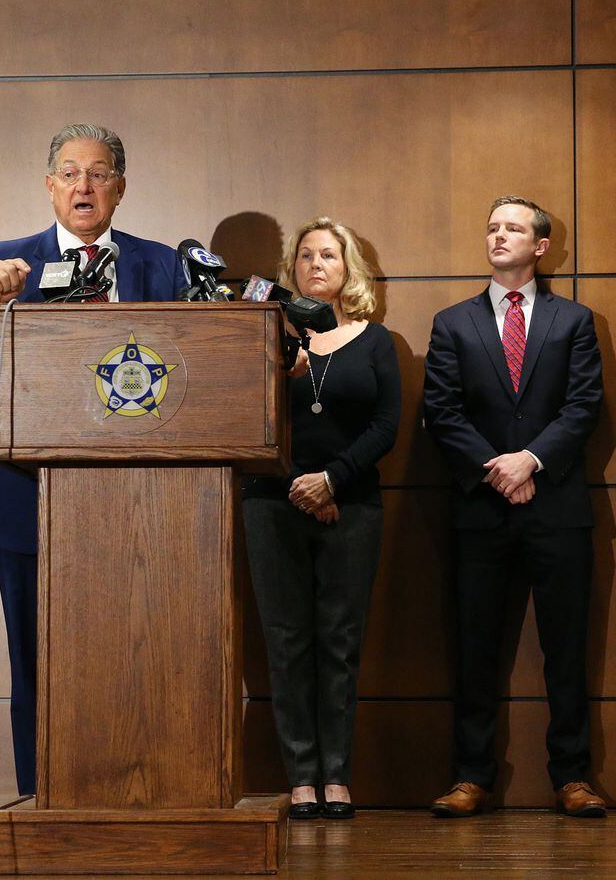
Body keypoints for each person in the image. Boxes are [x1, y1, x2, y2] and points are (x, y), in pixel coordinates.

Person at [0, 123, 184, 796]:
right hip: (30, 501)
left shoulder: (162, 266)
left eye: (99, 173)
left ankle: (135, 795)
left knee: (135, 665)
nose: (83, 186)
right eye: (69, 173)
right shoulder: (3, 260)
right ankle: (39, 802)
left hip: (145, 503)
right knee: (38, 667)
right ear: (49, 187)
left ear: (120, 189)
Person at [422, 195, 605, 819]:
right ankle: (470, 777)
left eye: (514, 228)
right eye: (492, 226)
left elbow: (583, 407)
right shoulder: (452, 323)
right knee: (475, 647)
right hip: (481, 508)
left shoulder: (575, 320)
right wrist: (497, 470)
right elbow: (441, 412)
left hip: (557, 505)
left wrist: (529, 461)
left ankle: (574, 778)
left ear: (541, 246)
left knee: (567, 649)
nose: (500, 236)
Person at [242, 217, 400, 820]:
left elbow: (385, 426)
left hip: (352, 504)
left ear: (347, 268)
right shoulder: (266, 337)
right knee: (285, 642)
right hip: (272, 501)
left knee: (339, 642)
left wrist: (332, 479)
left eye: (328, 255)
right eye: (305, 255)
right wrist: (300, 486)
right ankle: (300, 778)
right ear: (293, 271)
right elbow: (246, 417)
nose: (315, 264)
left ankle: (336, 775)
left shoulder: (376, 341)